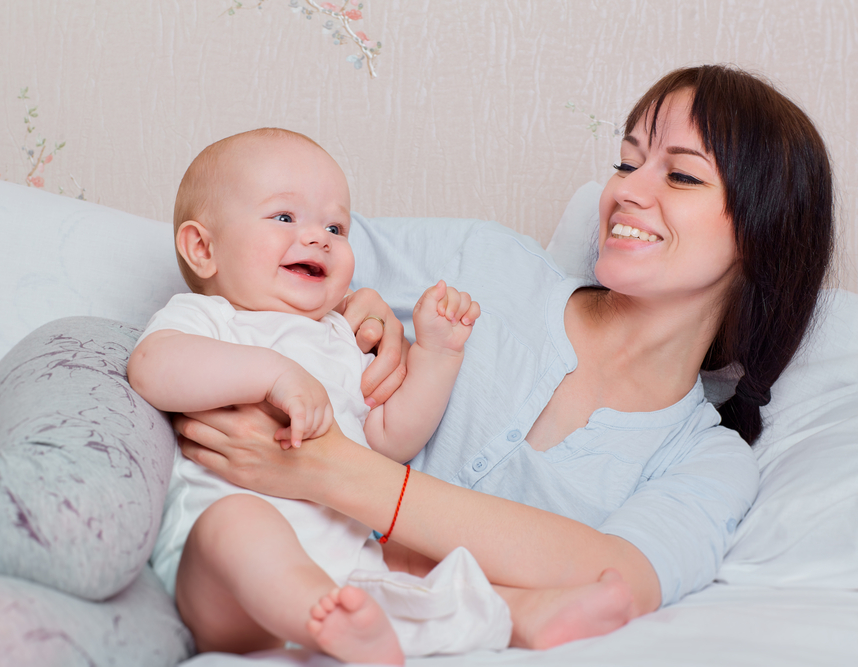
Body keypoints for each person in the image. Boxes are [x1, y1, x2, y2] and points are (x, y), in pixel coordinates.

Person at [172, 64, 836, 649]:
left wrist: (334, 471)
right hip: (246, 580)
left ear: (762, 233)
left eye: (682, 174)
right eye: (628, 163)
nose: (627, 191)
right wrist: (356, 303)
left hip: (372, 609)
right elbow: (266, 249)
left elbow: (614, 577)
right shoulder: (486, 265)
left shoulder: (708, 461)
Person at [126, 128, 517, 665]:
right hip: (221, 583)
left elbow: (388, 441)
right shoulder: (210, 319)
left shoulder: (340, 337)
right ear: (204, 248)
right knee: (237, 523)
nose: (319, 237)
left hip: (349, 571)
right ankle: (322, 619)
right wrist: (272, 375)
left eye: (336, 225)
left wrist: (438, 357)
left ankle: (371, 623)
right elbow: (151, 368)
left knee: (437, 565)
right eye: (284, 217)